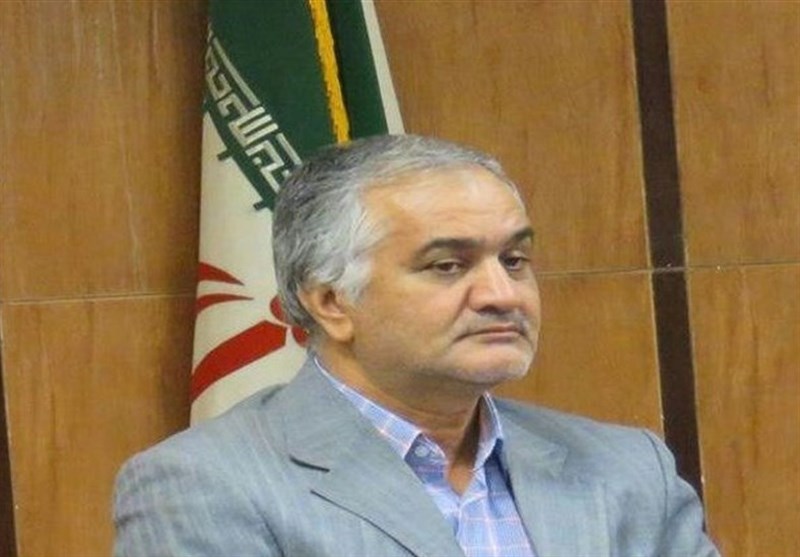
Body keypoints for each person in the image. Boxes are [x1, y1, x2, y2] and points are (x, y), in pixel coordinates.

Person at [113, 134, 720, 556]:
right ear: (332, 302)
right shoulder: (206, 485)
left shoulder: (625, 468)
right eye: (448, 266)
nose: (502, 294)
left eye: (514, 260)